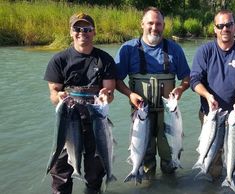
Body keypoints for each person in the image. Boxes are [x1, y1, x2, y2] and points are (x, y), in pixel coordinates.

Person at [44, 13, 116, 194]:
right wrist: (59, 97)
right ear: (71, 32)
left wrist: (105, 96)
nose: (82, 32)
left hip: (96, 124)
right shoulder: (59, 60)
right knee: (61, 173)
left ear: (94, 32)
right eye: (77, 28)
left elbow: (110, 93)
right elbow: (53, 94)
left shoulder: (104, 59)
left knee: (95, 174)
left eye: (87, 29)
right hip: (67, 124)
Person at [115, 7, 190, 176]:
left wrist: (181, 88)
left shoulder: (175, 49)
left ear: (164, 26)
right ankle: (149, 184)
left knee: (169, 155)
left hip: (168, 114)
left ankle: (171, 184)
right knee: (145, 157)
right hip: (141, 114)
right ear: (142, 24)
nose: (154, 27)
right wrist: (130, 94)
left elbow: (187, 77)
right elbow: (116, 81)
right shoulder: (127, 49)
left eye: (158, 24)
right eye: (150, 23)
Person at [190, 9, 235, 193]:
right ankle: (214, 185)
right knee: (213, 157)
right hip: (211, 115)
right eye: (220, 26)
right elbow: (194, 79)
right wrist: (207, 95)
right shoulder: (205, 51)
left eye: (228, 24)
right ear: (215, 29)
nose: (225, 29)